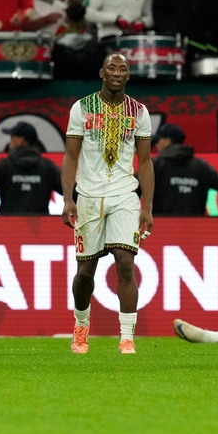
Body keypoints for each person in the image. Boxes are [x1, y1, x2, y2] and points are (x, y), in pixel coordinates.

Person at [63, 52, 154, 354]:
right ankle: (81, 325)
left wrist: (147, 207)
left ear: (129, 75)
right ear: (101, 73)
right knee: (84, 274)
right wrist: (68, 198)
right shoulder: (81, 108)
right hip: (88, 197)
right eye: (111, 68)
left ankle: (126, 337)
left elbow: (145, 162)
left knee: (125, 264)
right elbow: (71, 156)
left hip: (125, 194)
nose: (117, 73)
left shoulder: (139, 112)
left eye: (123, 69)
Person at [151, 123, 218, 215]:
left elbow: (135, 189)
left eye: (158, 141)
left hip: (161, 228)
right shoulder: (201, 167)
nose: (156, 145)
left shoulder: (155, 165)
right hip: (195, 229)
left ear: (167, 140)